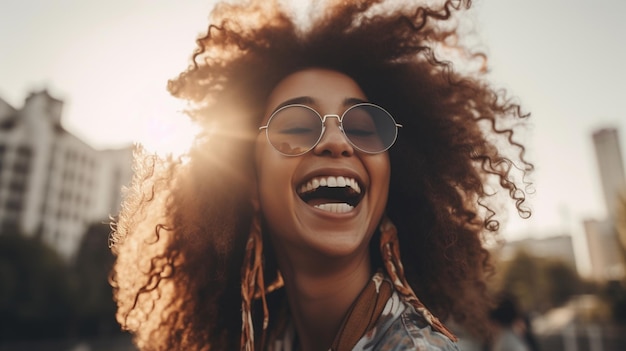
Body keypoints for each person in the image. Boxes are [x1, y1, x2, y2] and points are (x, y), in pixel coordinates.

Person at [109, 0, 533, 350]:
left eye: (364, 128)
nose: (337, 141)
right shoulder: (256, 336)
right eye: (296, 126)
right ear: (250, 185)